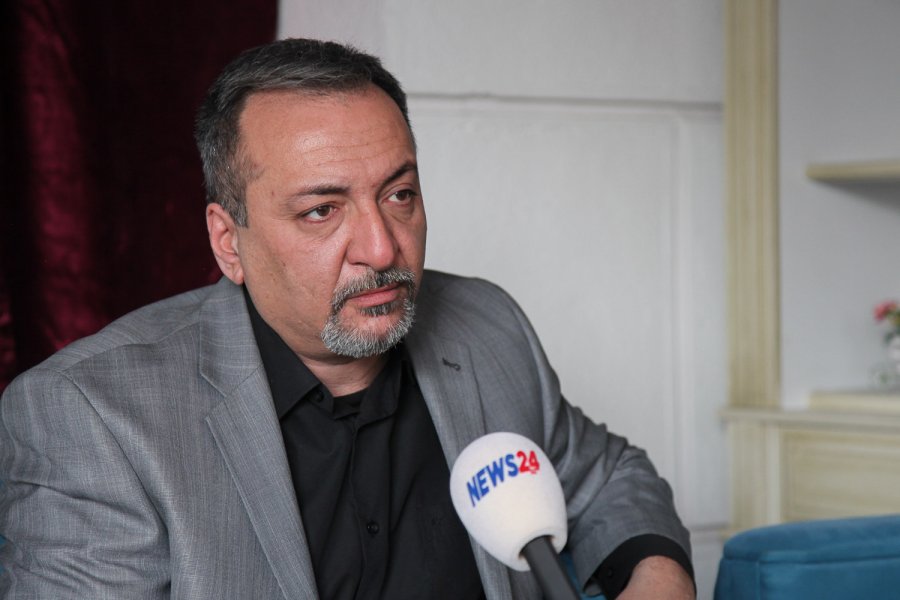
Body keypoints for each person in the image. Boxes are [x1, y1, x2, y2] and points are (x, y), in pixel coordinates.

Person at [0, 39, 694, 599]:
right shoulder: (94, 415)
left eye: (398, 195)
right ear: (228, 241)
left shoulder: (484, 326)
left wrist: (659, 579)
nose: (382, 249)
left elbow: (610, 477)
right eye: (321, 211)